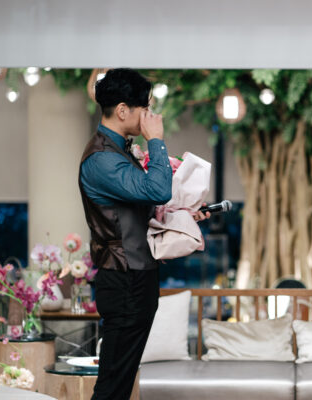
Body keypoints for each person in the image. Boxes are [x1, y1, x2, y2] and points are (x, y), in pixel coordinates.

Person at [79, 68, 209, 400]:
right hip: (124, 279)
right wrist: (156, 140)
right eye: (145, 108)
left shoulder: (118, 151)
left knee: (120, 384)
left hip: (136, 276)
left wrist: (184, 214)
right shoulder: (101, 159)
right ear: (123, 110)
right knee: (112, 386)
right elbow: (157, 190)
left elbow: (142, 209)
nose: (151, 115)